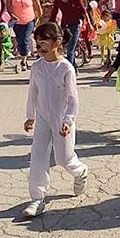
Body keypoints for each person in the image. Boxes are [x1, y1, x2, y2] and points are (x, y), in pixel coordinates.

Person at [22, 22, 88, 218]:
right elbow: (33, 92)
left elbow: (73, 99)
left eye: (43, 41)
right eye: (37, 41)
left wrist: (68, 121)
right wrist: (30, 116)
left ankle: (81, 171)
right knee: (38, 157)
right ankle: (37, 198)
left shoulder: (66, 68)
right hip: (43, 119)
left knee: (64, 159)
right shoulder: (37, 67)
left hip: (61, 121)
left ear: (56, 42)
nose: (39, 45)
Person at [7, 0, 42, 71]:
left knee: (24, 39)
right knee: (19, 40)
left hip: (29, 20)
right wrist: (11, 14)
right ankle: (24, 58)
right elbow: (8, 5)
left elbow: (38, 6)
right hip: (17, 21)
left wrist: (39, 19)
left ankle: (22, 61)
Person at [49, 0, 85, 71]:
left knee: (70, 49)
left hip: (75, 24)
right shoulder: (57, 0)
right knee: (68, 48)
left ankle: (69, 70)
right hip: (65, 25)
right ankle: (74, 68)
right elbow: (53, 15)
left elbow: (82, 9)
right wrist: (49, 26)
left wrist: (85, 21)